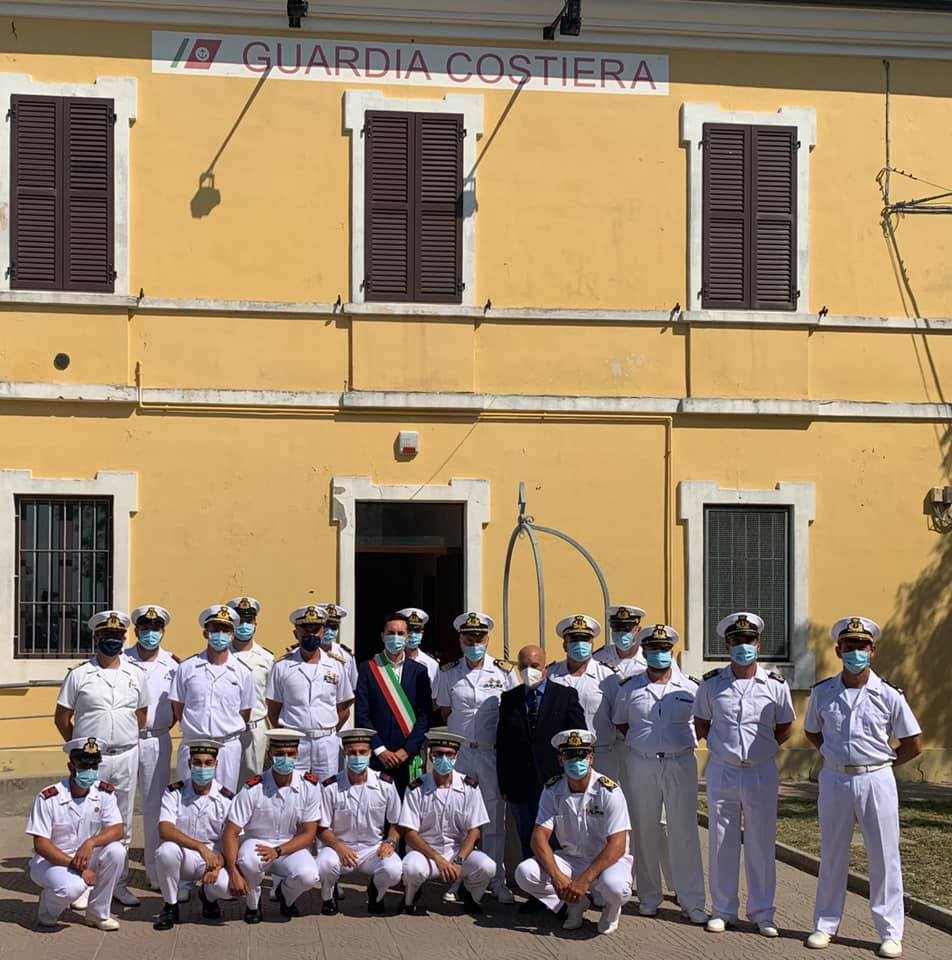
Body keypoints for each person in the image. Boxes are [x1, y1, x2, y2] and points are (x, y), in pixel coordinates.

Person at [803, 617, 922, 959]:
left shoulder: (889, 694)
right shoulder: (823, 692)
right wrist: (833, 753)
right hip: (836, 778)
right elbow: (813, 731)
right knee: (832, 853)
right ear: (838, 650)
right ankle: (825, 925)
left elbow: (913, 743)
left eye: (861, 647)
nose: (855, 652)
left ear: (872, 650)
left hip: (877, 779)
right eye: (849, 647)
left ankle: (889, 931)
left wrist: (884, 763)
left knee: (884, 856)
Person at [693, 612, 795, 937]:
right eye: (736, 641)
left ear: (758, 644)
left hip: (761, 772)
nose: (743, 646)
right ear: (727, 644)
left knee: (761, 843)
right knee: (722, 841)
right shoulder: (711, 685)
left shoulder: (776, 685)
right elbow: (702, 724)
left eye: (748, 640)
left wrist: (760, 751)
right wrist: (728, 751)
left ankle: (763, 912)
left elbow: (784, 728)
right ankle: (723, 910)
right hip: (723, 770)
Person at [612, 624, 707, 923]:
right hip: (642, 762)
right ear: (645, 651)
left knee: (684, 832)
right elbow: (622, 724)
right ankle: (649, 896)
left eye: (664, 649)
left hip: (680, 762)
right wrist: (647, 744)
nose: (659, 654)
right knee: (644, 829)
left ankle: (692, 900)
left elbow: (704, 723)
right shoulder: (629, 688)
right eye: (653, 649)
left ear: (672, 651)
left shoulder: (691, 687)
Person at [54, 609, 147, 907]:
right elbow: (62, 718)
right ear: (96, 638)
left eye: (118, 636)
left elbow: (141, 715)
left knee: (122, 821)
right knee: (87, 822)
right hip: (91, 762)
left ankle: (116, 883)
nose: (113, 640)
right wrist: (80, 752)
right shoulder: (79, 675)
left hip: (126, 756)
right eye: (107, 636)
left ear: (124, 638)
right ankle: (82, 881)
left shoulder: (136, 673)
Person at [514, 728, 633, 935]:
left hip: (606, 861)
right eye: (569, 755)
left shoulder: (608, 791)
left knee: (616, 888)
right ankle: (574, 904)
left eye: (581, 756)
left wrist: (584, 880)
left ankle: (612, 909)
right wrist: (556, 875)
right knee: (525, 873)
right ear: (561, 760)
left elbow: (618, 845)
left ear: (591, 758)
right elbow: (538, 838)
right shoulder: (553, 790)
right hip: (571, 859)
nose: (575, 761)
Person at [435, 611, 516, 903]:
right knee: (458, 818)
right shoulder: (447, 672)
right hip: (460, 756)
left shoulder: (504, 672)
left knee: (495, 820)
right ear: (460, 640)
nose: (474, 643)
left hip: (491, 754)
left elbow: (511, 713)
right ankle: (457, 877)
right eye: (468, 639)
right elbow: (445, 711)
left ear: (487, 639)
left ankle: (497, 879)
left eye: (479, 638)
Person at [496, 645, 587, 873]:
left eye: (535, 666)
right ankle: (536, 891)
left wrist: (575, 778)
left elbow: (577, 740)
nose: (529, 671)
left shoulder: (565, 696)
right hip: (520, 782)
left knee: (558, 837)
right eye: (524, 666)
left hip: (555, 780)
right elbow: (503, 743)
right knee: (528, 836)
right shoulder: (509, 698)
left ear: (545, 667)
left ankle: (562, 890)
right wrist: (504, 783)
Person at [222, 729, 322, 923]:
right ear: (269, 754)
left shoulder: (309, 786)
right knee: (248, 861)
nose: (285, 759)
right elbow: (231, 832)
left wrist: (278, 850)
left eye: (290, 754)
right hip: (256, 843)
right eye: (279, 754)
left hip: (289, 844)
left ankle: (286, 895)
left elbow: (310, 834)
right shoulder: (253, 787)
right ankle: (253, 905)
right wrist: (233, 870)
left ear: (297, 754)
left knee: (309, 875)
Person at [26, 737, 125, 930]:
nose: (89, 771)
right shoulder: (49, 797)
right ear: (71, 766)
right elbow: (41, 845)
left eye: (94, 766)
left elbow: (118, 829)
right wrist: (78, 867)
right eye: (83, 765)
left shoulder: (104, 792)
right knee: (72, 888)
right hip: (52, 862)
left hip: (86, 856)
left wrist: (91, 843)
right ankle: (48, 909)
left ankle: (98, 914)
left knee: (117, 851)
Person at [398, 729, 495, 915]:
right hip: (425, 853)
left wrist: (458, 861)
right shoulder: (416, 788)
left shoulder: (469, 787)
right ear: (430, 756)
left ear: (456, 757)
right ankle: (410, 898)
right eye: (438, 754)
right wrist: (438, 859)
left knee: (487, 866)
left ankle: (471, 896)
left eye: (449, 754)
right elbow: (409, 833)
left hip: (457, 853)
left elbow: (475, 830)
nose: (444, 759)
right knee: (412, 869)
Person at [316, 727, 403, 915]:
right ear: (344, 753)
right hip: (339, 848)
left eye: (362, 752)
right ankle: (328, 896)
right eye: (352, 752)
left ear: (370, 753)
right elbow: (321, 827)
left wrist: (390, 842)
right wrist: (338, 846)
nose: (357, 757)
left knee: (394, 870)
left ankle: (376, 894)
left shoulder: (385, 784)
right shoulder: (331, 786)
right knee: (324, 864)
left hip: (373, 848)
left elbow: (396, 822)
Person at [170, 605, 256, 792]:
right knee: (187, 801)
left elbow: (245, 713)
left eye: (225, 630)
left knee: (225, 800)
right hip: (194, 744)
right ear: (205, 633)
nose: (220, 634)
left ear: (233, 635)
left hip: (227, 746)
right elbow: (178, 708)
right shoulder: (187, 668)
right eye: (215, 629)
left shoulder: (242, 672)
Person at [124, 604, 179, 891]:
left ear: (163, 631)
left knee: (155, 807)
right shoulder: (122, 660)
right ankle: (115, 875)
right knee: (118, 808)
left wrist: (161, 728)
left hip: (157, 738)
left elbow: (178, 706)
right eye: (145, 629)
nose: (150, 634)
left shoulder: (173, 664)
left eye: (155, 629)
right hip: (124, 741)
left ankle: (156, 872)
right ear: (136, 631)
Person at [153, 739, 234, 930]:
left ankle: (208, 897)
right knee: (166, 852)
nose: (202, 767)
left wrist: (218, 865)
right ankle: (170, 906)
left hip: (214, 858)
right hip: (184, 855)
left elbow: (233, 839)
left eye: (208, 763)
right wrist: (199, 846)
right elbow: (165, 829)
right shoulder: (175, 792)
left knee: (227, 889)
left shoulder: (227, 798)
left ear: (216, 765)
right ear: (189, 764)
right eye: (197, 762)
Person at [266, 605, 354, 780]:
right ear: (295, 633)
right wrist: (289, 734)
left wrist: (327, 729)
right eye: (305, 630)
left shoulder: (337, 665)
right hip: (295, 743)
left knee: (326, 792)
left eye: (316, 630)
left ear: (322, 632)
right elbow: (273, 709)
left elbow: (343, 707)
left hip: (326, 742)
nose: (311, 635)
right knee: (294, 791)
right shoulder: (282, 666)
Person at [355, 612, 432, 795]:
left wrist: (407, 750)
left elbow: (425, 716)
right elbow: (362, 714)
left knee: (408, 815)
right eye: (391, 633)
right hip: (378, 756)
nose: (395, 637)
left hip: (409, 757)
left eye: (400, 633)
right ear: (382, 636)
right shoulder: (368, 668)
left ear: (407, 637)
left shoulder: (419, 672)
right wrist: (380, 750)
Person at [547, 614, 621, 780]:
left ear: (592, 643)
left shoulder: (608, 676)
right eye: (574, 639)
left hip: (601, 754)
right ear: (564, 645)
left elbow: (620, 717)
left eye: (585, 639)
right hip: (562, 755)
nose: (580, 644)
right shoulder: (552, 675)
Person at [228, 596, 275, 782]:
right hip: (227, 729)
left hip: (255, 729)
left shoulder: (266, 658)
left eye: (249, 621)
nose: (245, 625)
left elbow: (272, 699)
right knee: (225, 782)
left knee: (253, 783)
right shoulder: (221, 655)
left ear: (256, 623)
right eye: (240, 621)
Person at [594, 605, 648, 678]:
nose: (621, 633)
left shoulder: (649, 659)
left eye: (627, 629)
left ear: (638, 630)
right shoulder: (598, 658)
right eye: (617, 629)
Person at [318, 603, 358, 698]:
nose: (329, 631)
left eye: (334, 627)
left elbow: (353, 687)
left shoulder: (346, 656)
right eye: (326, 626)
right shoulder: (305, 652)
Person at [397, 607, 440, 690]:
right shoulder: (389, 661)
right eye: (409, 630)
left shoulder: (431, 664)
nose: (413, 635)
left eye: (417, 630)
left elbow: (434, 698)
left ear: (422, 633)